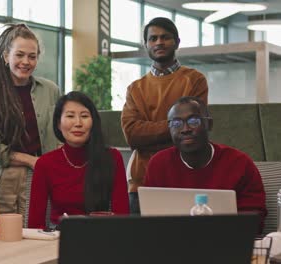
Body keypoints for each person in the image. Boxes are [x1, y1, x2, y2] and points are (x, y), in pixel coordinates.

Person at [121, 17, 208, 214]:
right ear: (146, 45)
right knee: (141, 244)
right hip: (141, 184)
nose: (158, 42)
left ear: (177, 42)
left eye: (165, 37)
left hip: (185, 178)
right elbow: (132, 135)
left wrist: (150, 132)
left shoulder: (195, 80)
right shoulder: (135, 88)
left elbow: (194, 130)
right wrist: (176, 126)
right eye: (153, 39)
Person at [144, 96, 267, 228]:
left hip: (228, 241)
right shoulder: (158, 164)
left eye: (193, 121)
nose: (185, 129)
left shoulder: (240, 163)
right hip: (172, 242)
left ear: (209, 124)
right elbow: (150, 218)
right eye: (176, 123)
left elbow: (255, 218)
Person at [0, 23, 60, 223]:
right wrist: (29, 160)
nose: (26, 62)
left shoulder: (51, 90)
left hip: (43, 178)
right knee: (5, 239)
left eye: (32, 56)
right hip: (5, 180)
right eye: (19, 55)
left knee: (40, 234)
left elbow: (60, 136)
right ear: (6, 56)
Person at [28, 91, 129, 229]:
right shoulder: (45, 164)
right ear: (58, 123)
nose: (78, 123)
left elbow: (122, 217)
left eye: (84, 116)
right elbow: (35, 225)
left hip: (102, 238)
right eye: (70, 116)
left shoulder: (112, 157)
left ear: (93, 122)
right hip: (59, 241)